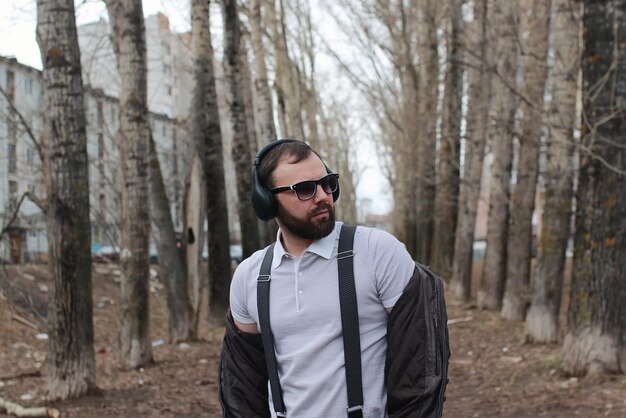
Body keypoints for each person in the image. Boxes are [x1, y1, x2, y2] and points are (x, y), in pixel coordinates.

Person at [219, 139, 449, 418]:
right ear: (267, 201)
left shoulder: (378, 253)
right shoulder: (249, 276)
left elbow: (420, 375)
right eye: (304, 189)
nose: (322, 196)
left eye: (327, 183)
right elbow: (242, 388)